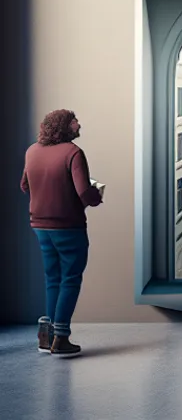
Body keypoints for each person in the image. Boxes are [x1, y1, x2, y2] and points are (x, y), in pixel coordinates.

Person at [21, 110, 103, 357]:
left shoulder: (31, 151)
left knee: (53, 278)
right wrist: (96, 195)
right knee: (70, 278)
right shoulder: (73, 152)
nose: (78, 123)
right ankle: (62, 337)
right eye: (73, 120)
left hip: (40, 226)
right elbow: (84, 193)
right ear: (63, 126)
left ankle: (46, 337)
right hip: (68, 226)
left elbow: (24, 186)